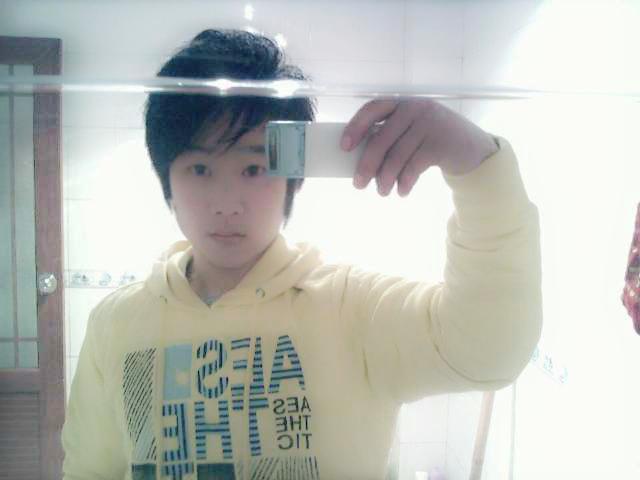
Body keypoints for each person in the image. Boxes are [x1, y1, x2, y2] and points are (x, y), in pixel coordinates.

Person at [61, 29, 542, 480]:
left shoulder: (353, 307)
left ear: (293, 178)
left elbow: (489, 351)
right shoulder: (116, 324)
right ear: (166, 178)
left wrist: (475, 163)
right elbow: (90, 470)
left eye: (253, 169)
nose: (226, 203)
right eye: (200, 168)